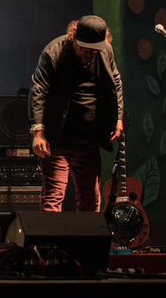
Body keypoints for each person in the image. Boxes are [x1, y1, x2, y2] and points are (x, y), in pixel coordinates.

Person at [29, 15, 124, 212]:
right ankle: (50, 243)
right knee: (53, 197)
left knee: (91, 199)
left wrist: (118, 118)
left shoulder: (105, 50)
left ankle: (86, 244)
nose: (89, 55)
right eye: (84, 49)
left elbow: (115, 83)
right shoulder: (54, 52)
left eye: (93, 51)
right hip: (58, 140)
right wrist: (38, 132)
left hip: (88, 139)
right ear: (73, 38)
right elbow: (38, 90)